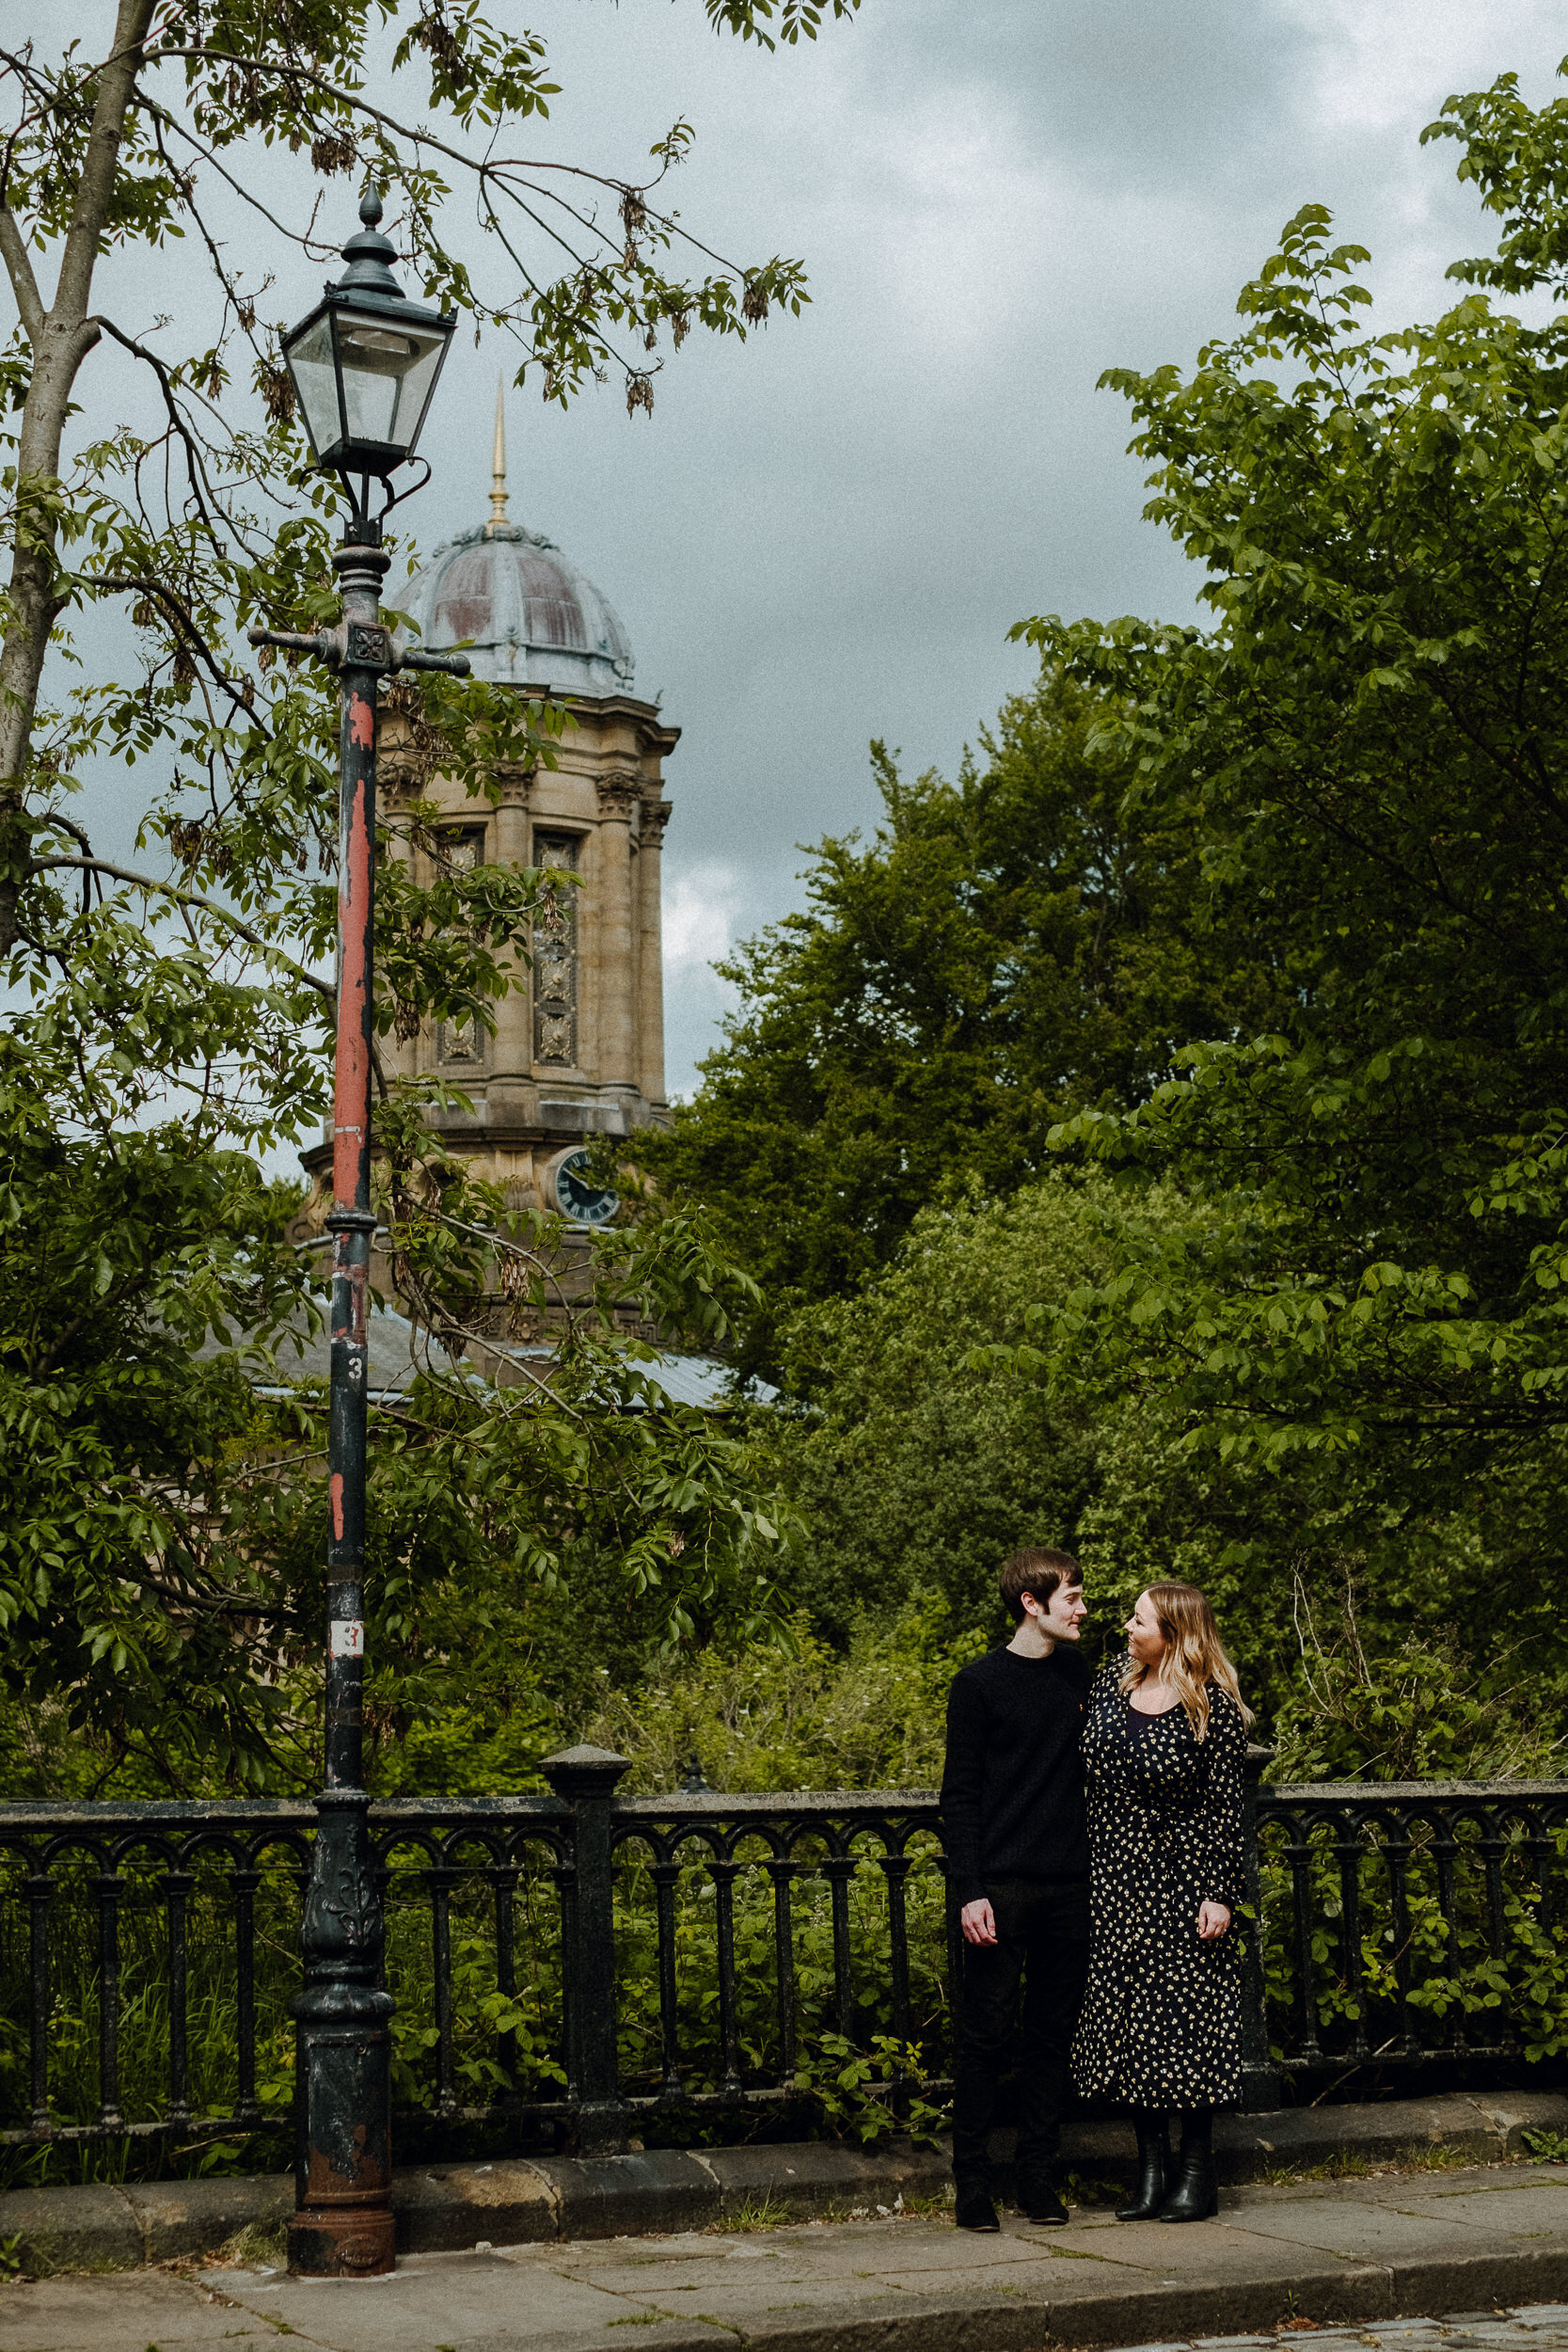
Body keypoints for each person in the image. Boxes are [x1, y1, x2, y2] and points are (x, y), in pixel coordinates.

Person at [1070, 1580, 1254, 2225]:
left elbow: (1225, 1808)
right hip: (1113, 1885)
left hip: (1181, 1886)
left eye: (1138, 1619)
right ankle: (1149, 2173)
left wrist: (1220, 1894)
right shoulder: (1110, 1686)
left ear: (1173, 1634)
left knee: (1184, 2029)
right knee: (1129, 2026)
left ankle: (1195, 2176)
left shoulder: (1211, 1705)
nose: (1125, 1626)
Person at [940, 1546, 1091, 2233]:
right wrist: (968, 1889)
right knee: (985, 2039)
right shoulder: (977, 1684)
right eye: (1071, 1597)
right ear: (1032, 1603)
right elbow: (960, 1796)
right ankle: (970, 2183)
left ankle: (1037, 2178)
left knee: (1050, 2039)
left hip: (1070, 1887)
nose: (1083, 1609)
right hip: (998, 1889)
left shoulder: (1082, 1675)